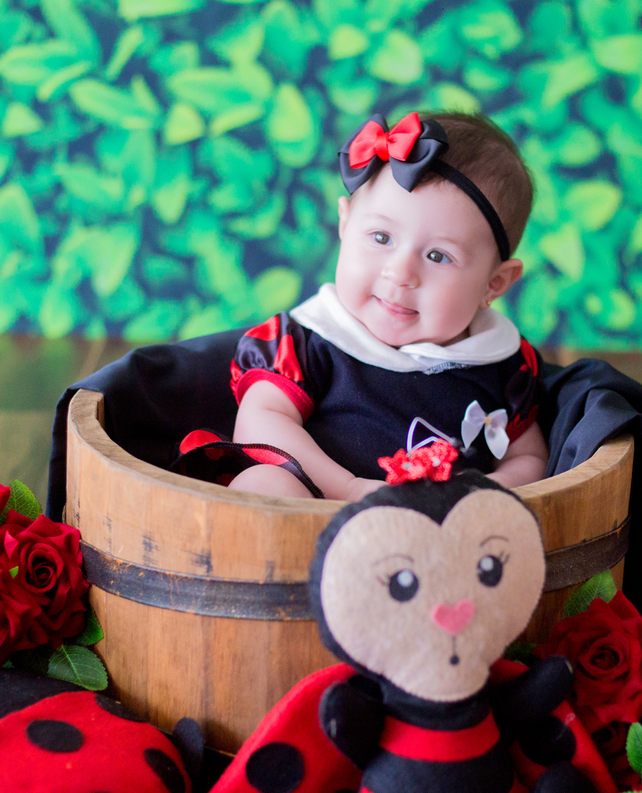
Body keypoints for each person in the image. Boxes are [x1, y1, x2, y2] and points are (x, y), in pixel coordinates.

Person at [228, 111, 546, 501]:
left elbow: (529, 457)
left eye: (438, 257)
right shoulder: (309, 340)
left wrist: (474, 498)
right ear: (345, 226)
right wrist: (348, 488)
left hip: (443, 545)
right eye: (381, 237)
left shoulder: (500, 365)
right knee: (260, 485)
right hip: (318, 517)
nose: (400, 273)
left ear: (493, 284)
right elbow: (260, 421)